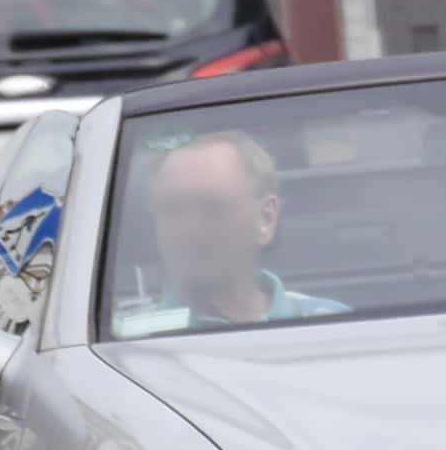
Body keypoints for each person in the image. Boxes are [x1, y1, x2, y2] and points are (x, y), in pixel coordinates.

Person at [114, 130, 349, 334]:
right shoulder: (124, 341)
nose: (190, 230)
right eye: (171, 210)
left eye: (213, 208)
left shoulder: (332, 325)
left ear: (266, 218)